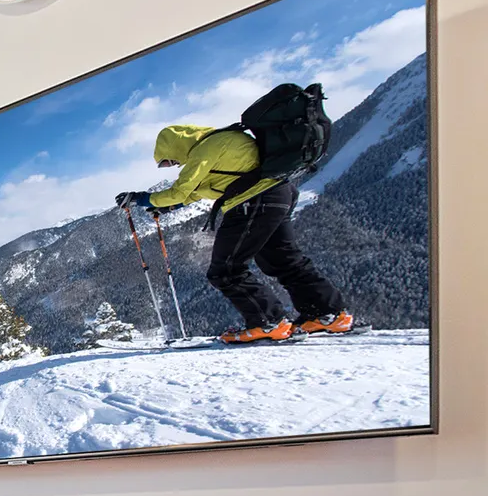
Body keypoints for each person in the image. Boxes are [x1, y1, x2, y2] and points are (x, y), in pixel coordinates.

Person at [116, 124, 351, 344]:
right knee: (284, 260)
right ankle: (327, 314)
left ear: (175, 145)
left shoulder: (206, 149)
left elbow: (181, 190)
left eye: (168, 160)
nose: (173, 164)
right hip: (277, 195)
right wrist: (171, 206)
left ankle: (268, 322)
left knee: (225, 269)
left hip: (253, 202)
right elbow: (202, 190)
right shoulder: (220, 143)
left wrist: (141, 198)